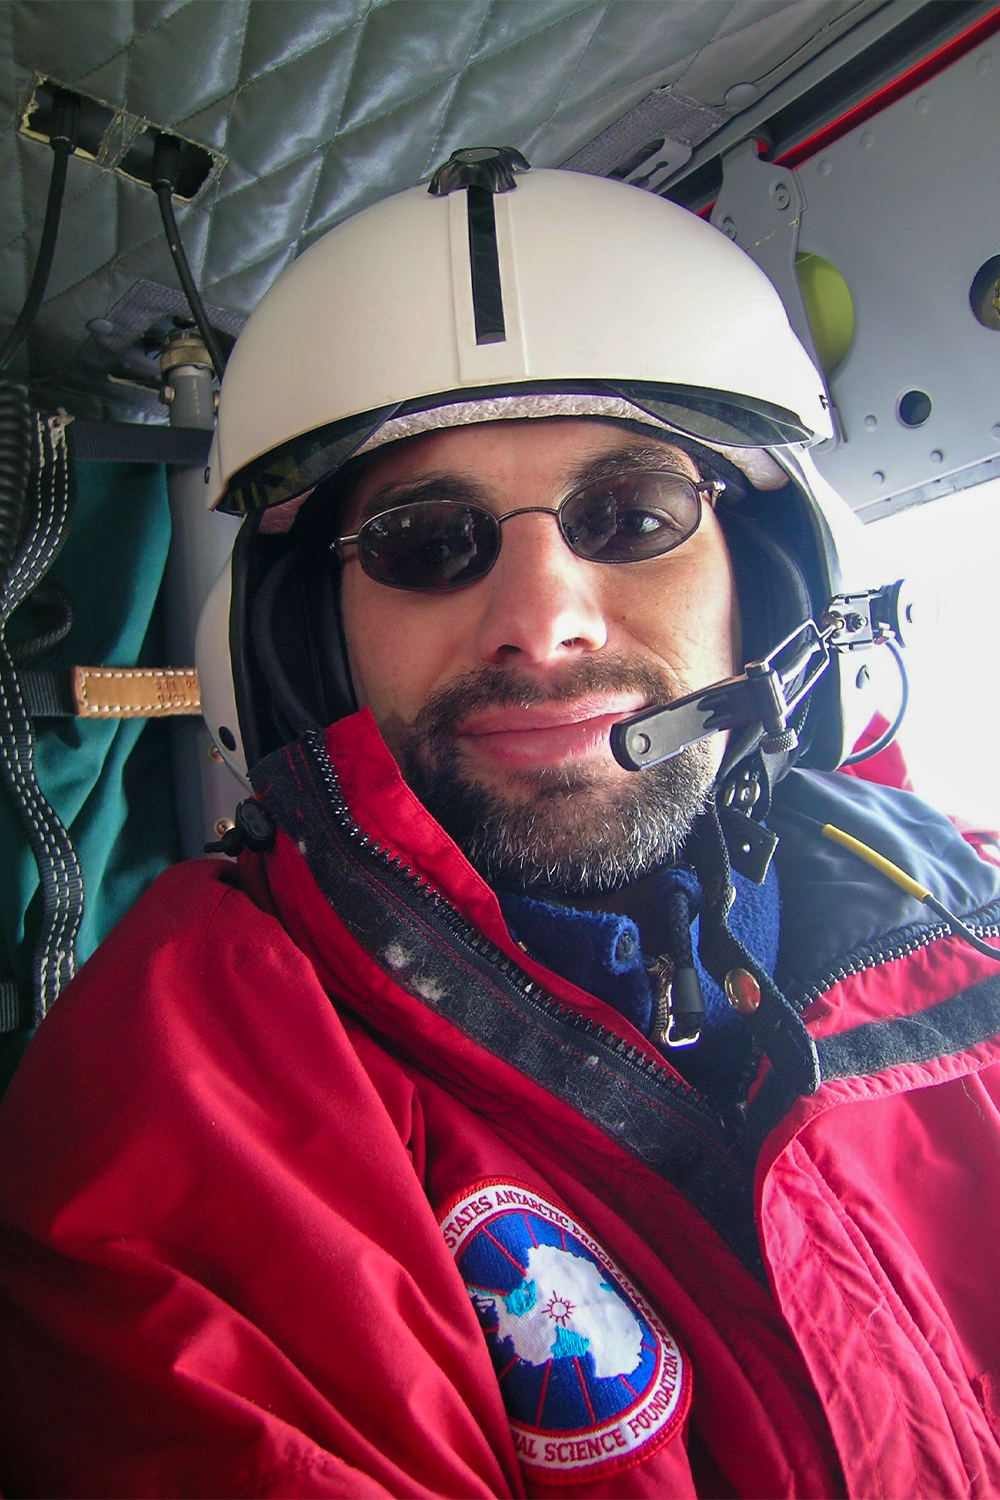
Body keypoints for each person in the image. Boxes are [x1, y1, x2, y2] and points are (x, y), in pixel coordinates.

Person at [0, 147, 998, 1499]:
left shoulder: (966, 923)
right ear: (306, 646)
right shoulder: (195, 1074)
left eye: (632, 515)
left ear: (769, 588)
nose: (543, 619)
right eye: (424, 542)